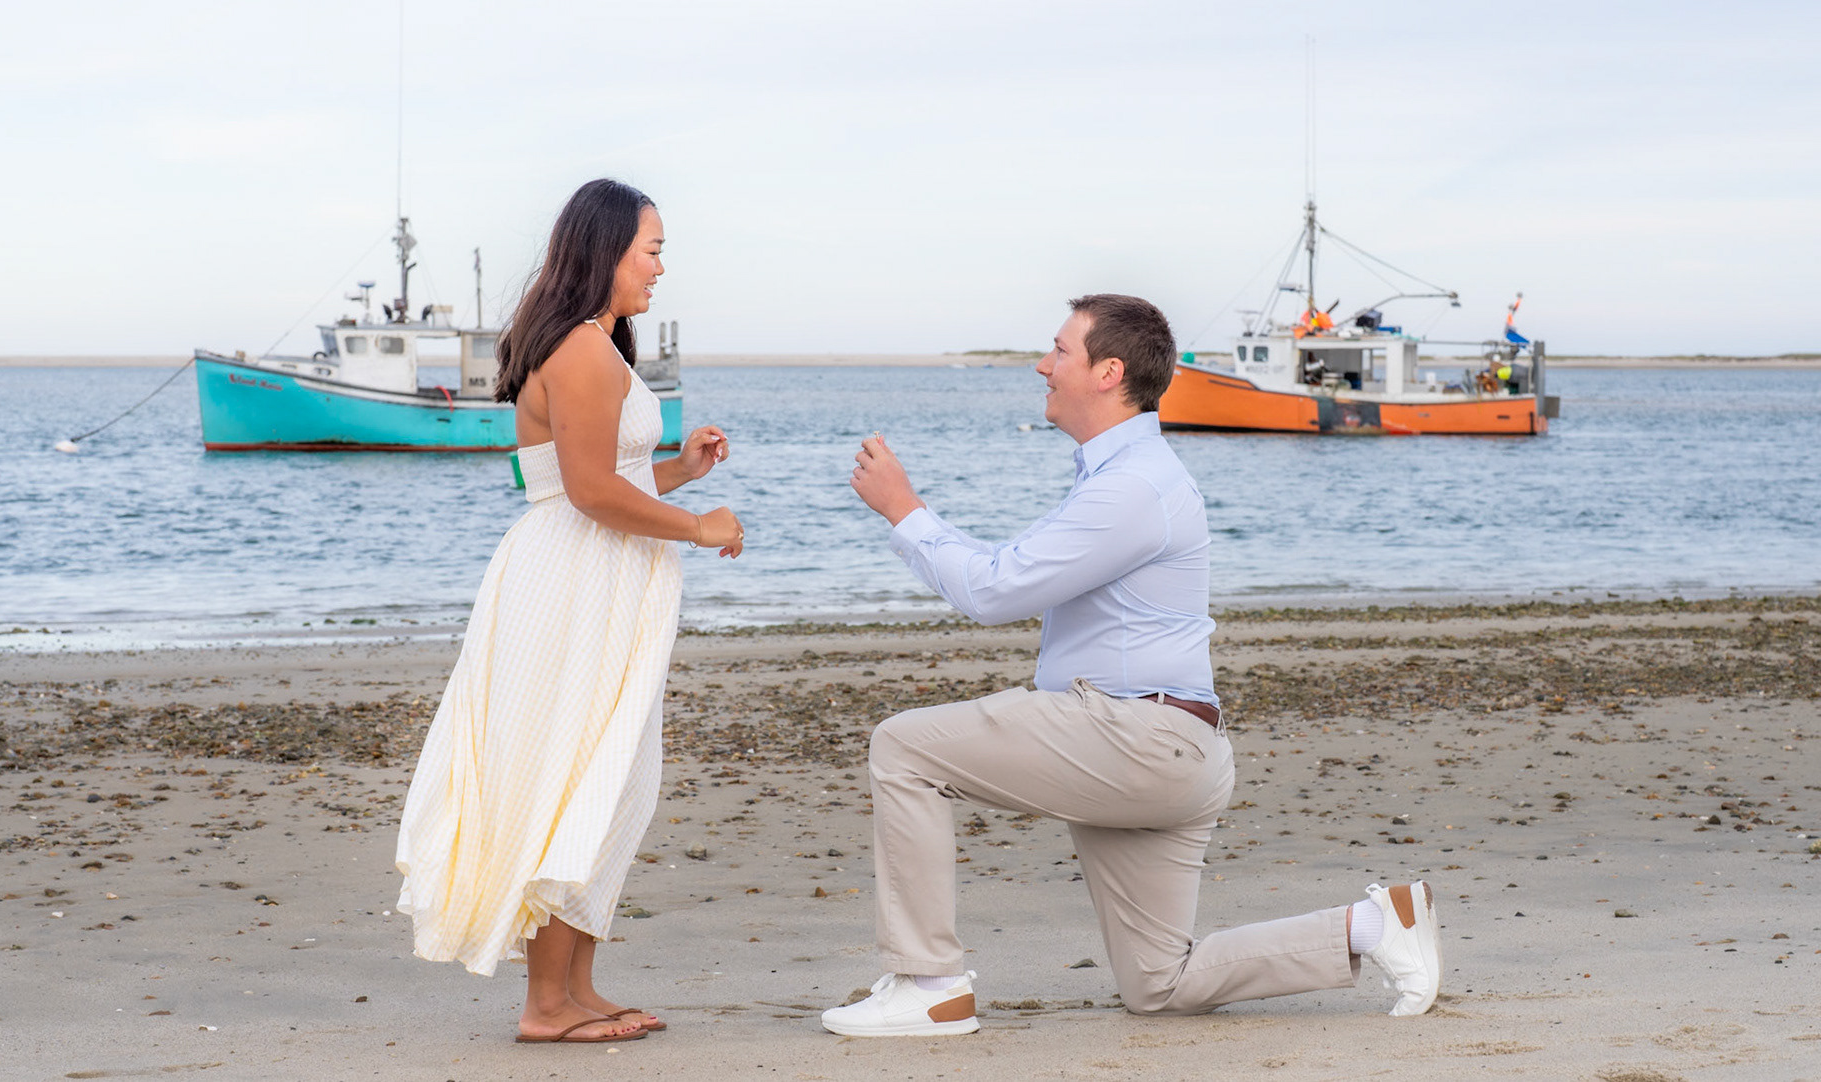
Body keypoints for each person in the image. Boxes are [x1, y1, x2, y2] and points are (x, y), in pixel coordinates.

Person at [826, 294, 1441, 1038]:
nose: (1043, 365)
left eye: (1059, 351)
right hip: (1170, 748)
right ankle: (1375, 926)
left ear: (1108, 372)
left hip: (1136, 739)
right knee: (1160, 984)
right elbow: (1006, 570)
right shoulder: (1126, 477)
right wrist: (915, 517)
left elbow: (992, 591)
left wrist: (905, 511)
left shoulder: (1133, 486)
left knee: (903, 747)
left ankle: (929, 986)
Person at [394, 178, 744, 1044]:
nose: (660, 268)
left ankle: (575, 989)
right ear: (607, 250)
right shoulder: (584, 351)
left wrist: (679, 473)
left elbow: (588, 477)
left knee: (612, 777)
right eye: (651, 250)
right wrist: (698, 526)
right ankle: (545, 1005)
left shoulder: (594, 343)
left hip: (593, 572)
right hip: (576, 580)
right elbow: (589, 493)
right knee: (575, 773)